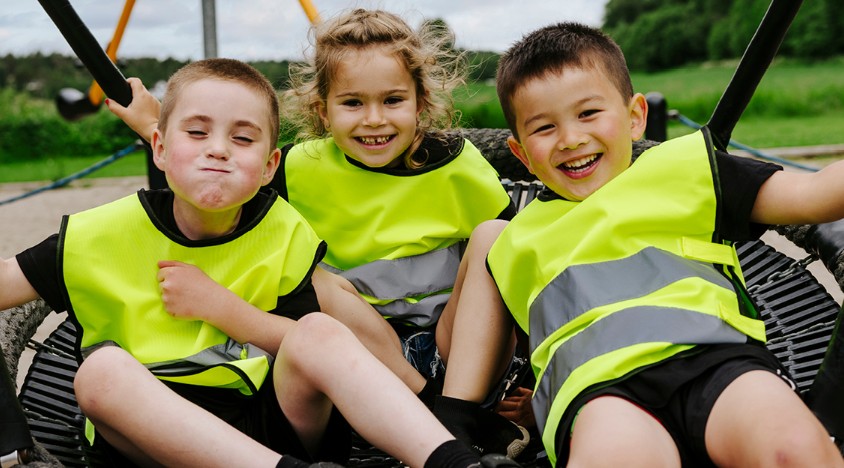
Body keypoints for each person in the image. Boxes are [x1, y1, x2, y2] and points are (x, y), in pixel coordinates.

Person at [0, 57, 512, 468]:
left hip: (273, 420)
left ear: (270, 166)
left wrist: (219, 307)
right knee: (100, 372)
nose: (219, 151)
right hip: (155, 433)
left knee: (319, 329)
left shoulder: (282, 231)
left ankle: (453, 461)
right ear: (159, 146)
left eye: (242, 139)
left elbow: (301, 342)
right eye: (196, 133)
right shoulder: (97, 234)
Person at [108, 8, 532, 459]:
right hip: (361, 363)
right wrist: (152, 126)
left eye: (392, 100)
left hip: (459, 360)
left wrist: (533, 381)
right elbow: (224, 179)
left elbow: (521, 273)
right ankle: (429, 410)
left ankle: (455, 415)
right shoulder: (299, 167)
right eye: (352, 103)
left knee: (496, 236)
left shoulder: (458, 164)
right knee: (315, 277)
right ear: (323, 110)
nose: (374, 119)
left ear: (420, 103)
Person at [486, 21, 844, 467]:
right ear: (521, 153)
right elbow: (524, 348)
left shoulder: (684, 170)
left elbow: (815, 194)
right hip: (597, 389)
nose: (571, 139)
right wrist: (531, 403)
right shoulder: (515, 237)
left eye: (589, 113)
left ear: (635, 117)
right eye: (544, 128)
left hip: (714, 357)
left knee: (793, 449)